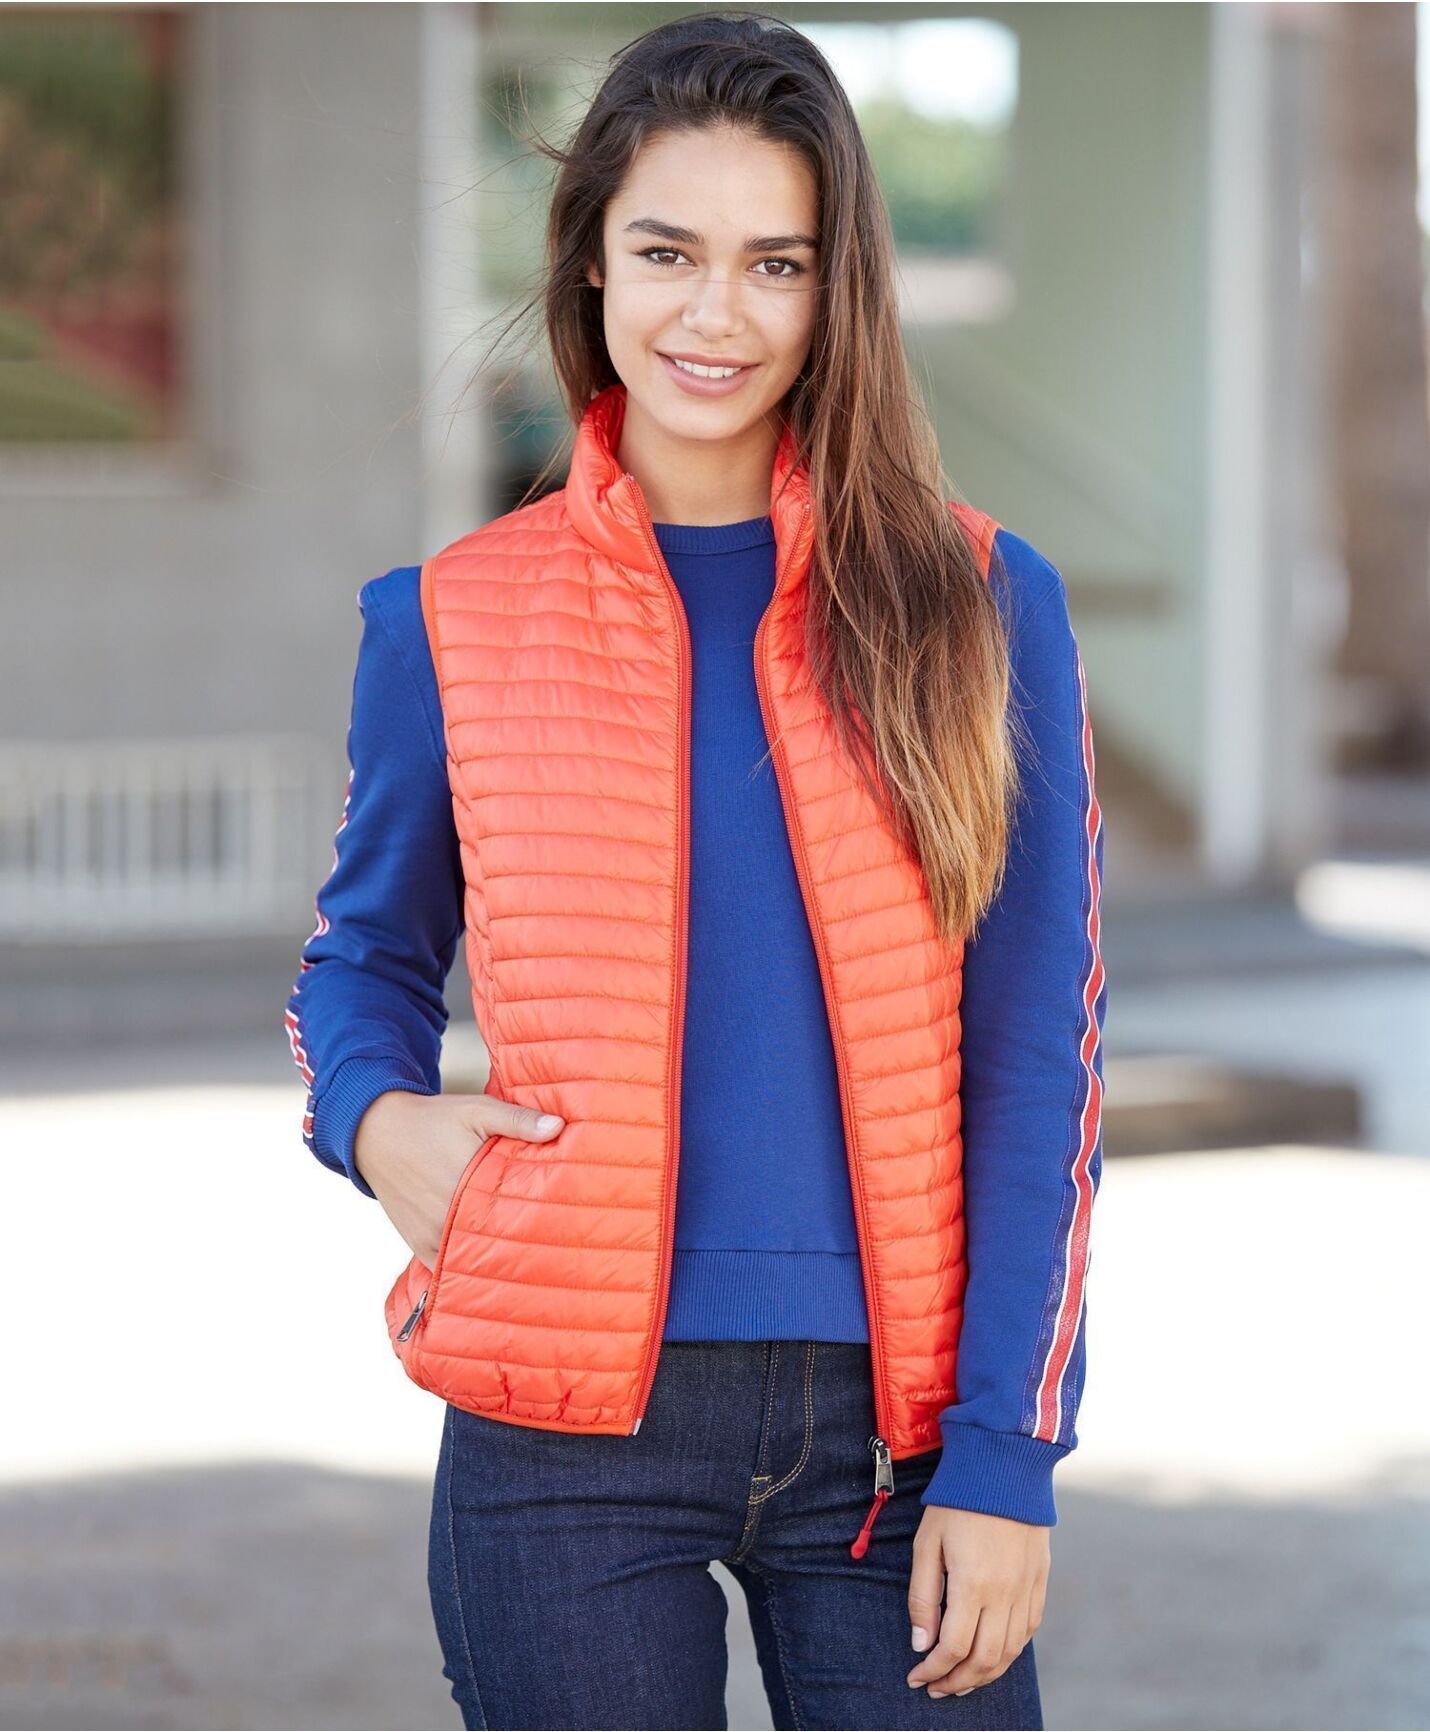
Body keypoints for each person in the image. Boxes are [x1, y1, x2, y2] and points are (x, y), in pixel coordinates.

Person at [284, 12, 1106, 1729]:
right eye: (666, 252)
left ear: (834, 290)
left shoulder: (976, 603)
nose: (714, 314)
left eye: (773, 264)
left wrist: (1006, 1455)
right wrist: (373, 1117)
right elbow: (361, 957)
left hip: (898, 1438)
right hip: (559, 1439)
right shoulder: (447, 619)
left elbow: (1040, 1055)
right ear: (591, 257)